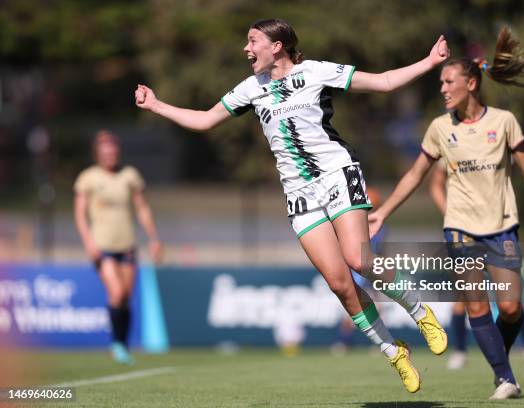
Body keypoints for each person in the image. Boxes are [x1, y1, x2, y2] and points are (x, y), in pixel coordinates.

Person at [135, 18, 449, 394]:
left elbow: (382, 82)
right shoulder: (251, 89)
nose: (246, 49)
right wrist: (156, 106)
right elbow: (205, 121)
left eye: (252, 41)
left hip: (337, 173)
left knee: (359, 259)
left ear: (278, 45)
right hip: (300, 195)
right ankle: (392, 350)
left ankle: (419, 312)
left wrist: (429, 62)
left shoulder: (315, 72)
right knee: (339, 284)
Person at [368, 26, 524, 399]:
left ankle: (499, 363)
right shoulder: (439, 129)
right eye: (439, 82)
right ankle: (505, 378)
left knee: (512, 307)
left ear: (470, 84)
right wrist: (384, 211)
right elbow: (415, 175)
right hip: (460, 230)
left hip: (502, 228)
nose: (442, 88)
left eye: (448, 80)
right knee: (474, 303)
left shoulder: (503, 122)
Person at [429, 161, 524, 371]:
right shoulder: (448, 141)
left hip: (497, 230)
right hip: (461, 231)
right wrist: (450, 213)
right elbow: (435, 184)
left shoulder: (497, 140)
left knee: (512, 301)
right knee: (463, 298)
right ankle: (460, 351)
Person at [74, 130, 163, 364]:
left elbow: (142, 208)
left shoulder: (129, 175)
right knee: (116, 293)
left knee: (126, 297)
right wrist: (88, 242)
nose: (110, 156)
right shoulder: (88, 178)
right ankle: (116, 344)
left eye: (113, 151)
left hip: (127, 245)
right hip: (102, 246)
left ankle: (123, 345)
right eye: (106, 152)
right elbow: (80, 214)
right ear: (98, 154)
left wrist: (154, 238)